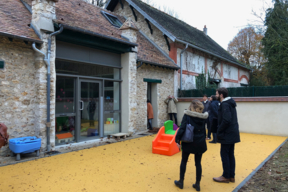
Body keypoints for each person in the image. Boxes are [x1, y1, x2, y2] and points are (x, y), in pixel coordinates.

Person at [174, 100, 208, 191]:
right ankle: (197, 184)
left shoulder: (187, 115)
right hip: (200, 141)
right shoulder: (203, 117)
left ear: (192, 107)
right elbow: (204, 129)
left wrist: (177, 139)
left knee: (184, 161)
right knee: (198, 163)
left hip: (188, 141)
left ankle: (181, 182)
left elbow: (182, 127)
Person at [213, 88, 240, 183]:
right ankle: (231, 176)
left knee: (225, 154)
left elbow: (226, 120)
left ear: (221, 95)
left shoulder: (225, 104)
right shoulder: (229, 103)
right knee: (230, 154)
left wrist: (219, 130)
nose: (215, 95)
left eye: (216, 94)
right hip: (232, 133)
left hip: (227, 134)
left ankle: (226, 176)